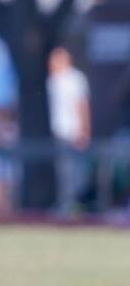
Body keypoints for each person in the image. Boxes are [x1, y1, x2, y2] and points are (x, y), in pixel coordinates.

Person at [48, 46, 91, 217]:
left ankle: (73, 205)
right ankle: (66, 204)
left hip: (72, 132)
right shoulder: (51, 81)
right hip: (57, 133)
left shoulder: (75, 79)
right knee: (62, 171)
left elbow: (81, 105)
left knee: (74, 172)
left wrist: (84, 130)